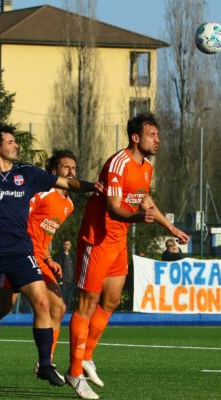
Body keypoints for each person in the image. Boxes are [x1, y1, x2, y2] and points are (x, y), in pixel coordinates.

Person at [0, 123, 97, 397]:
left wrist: (95, 187)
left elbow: (67, 183)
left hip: (20, 253)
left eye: (15, 142)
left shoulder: (28, 174)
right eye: (10, 142)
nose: (16, 145)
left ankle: (45, 364)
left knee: (44, 302)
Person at [66, 113, 189, 400]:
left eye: (158, 135)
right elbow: (112, 208)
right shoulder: (117, 164)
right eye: (152, 134)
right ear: (136, 137)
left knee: (111, 300)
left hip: (117, 242)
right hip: (96, 241)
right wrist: (137, 218)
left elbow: (145, 200)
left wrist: (170, 227)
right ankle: (73, 372)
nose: (157, 140)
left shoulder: (145, 168)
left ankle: (86, 357)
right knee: (87, 304)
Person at [0, 149, 79, 386]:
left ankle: (45, 362)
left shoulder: (69, 204)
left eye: (74, 168)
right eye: (66, 167)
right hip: (20, 253)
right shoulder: (42, 194)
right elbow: (20, 217)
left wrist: (49, 258)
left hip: (39, 257)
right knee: (3, 306)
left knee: (57, 307)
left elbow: (44, 234)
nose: (71, 171)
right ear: (54, 172)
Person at [54, 239, 75, 310]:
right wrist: (59, 279)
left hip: (71, 280)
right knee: (63, 297)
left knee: (68, 299)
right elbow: (56, 269)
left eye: (68, 244)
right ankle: (62, 312)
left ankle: (67, 313)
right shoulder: (58, 255)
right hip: (63, 280)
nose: (66, 246)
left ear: (70, 245)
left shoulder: (73, 255)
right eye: (65, 244)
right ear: (63, 245)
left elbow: (75, 267)